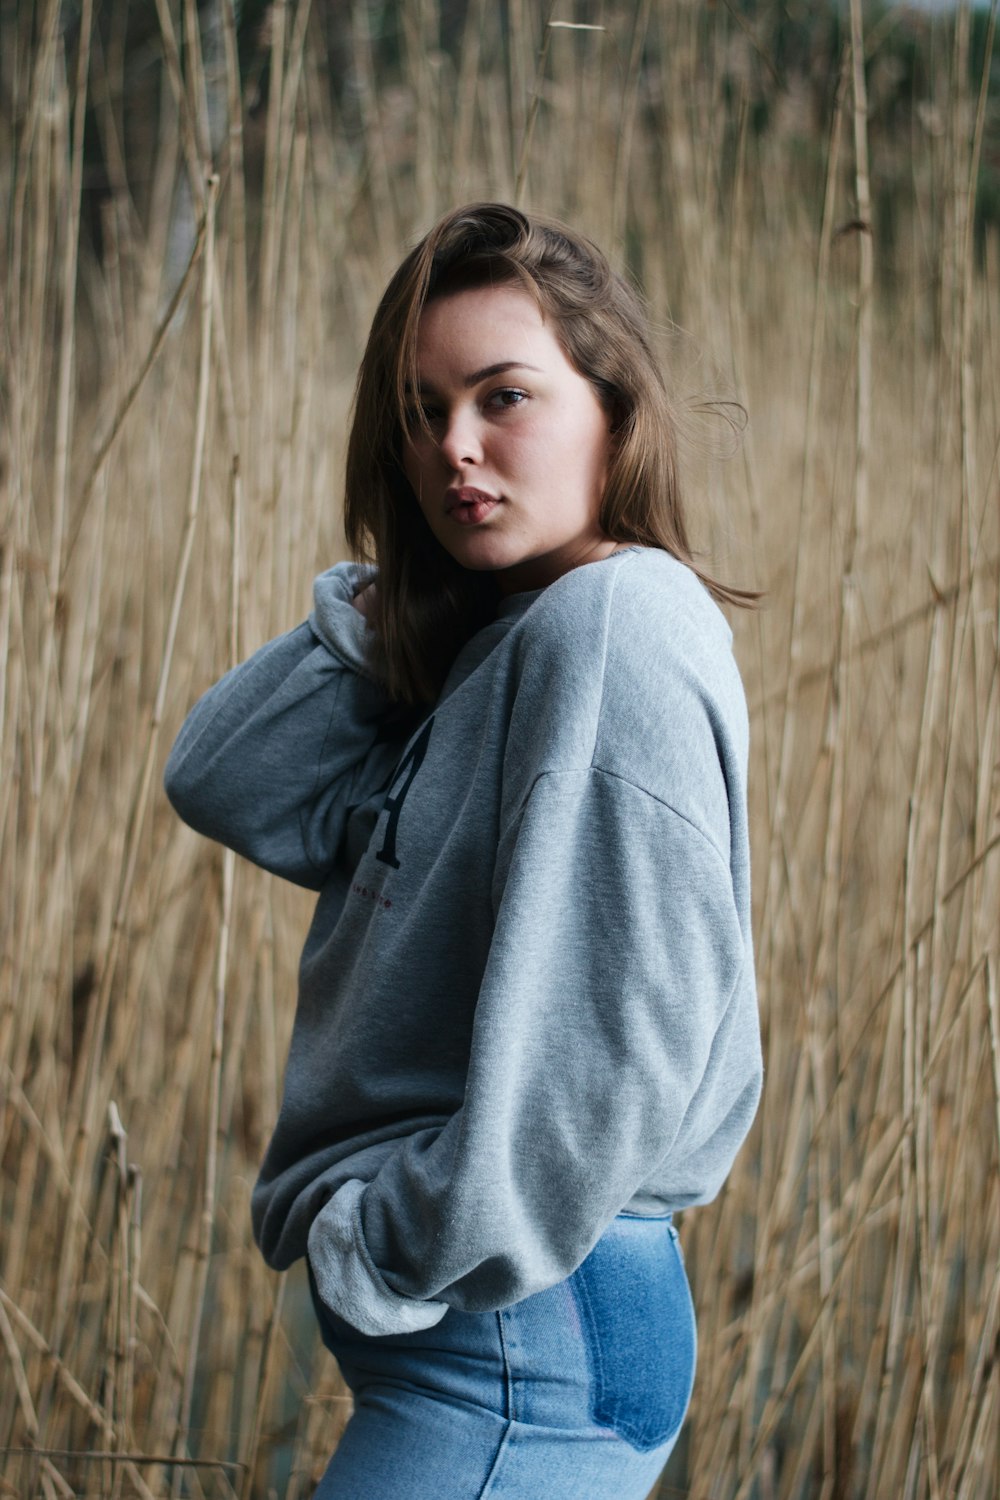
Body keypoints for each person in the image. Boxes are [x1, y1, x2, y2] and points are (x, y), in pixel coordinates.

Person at [164, 202, 763, 1499]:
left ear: (615, 406)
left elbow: (622, 1048)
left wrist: (398, 1246)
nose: (457, 449)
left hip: (514, 1343)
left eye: (506, 398)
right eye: (423, 413)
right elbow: (228, 779)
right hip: (495, 1337)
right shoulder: (508, 645)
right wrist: (403, 601)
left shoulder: (610, 630)